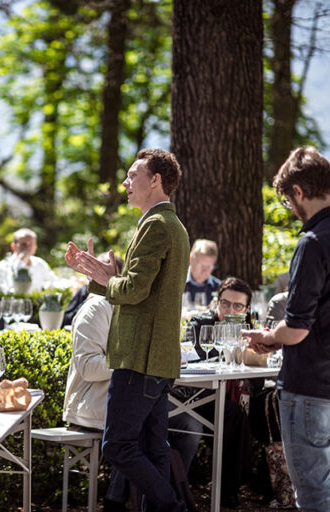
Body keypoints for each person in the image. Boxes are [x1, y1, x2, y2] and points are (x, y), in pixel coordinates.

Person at [65, 148, 189, 512]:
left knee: (117, 446)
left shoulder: (155, 224)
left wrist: (107, 277)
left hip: (139, 358)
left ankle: (174, 508)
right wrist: (99, 276)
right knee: (154, 451)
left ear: (156, 181)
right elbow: (140, 292)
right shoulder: (174, 225)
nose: (125, 183)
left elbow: (133, 289)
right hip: (158, 359)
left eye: (134, 175)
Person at [244, 146, 330, 511]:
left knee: (312, 496)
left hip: (309, 387)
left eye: (287, 200)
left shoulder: (312, 242)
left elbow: (296, 328)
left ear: (298, 191)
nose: (290, 210)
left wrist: (268, 337)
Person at [181, 277, 255, 508]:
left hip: (238, 391)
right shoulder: (201, 322)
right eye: (225, 304)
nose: (229, 310)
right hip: (201, 393)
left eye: (237, 306)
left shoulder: (249, 328)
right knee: (233, 414)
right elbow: (190, 362)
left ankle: (260, 481)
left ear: (247, 309)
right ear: (216, 302)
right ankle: (229, 491)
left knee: (263, 409)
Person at [185, 239, 221, 305]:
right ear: (190, 260)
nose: (204, 271)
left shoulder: (219, 288)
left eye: (209, 267)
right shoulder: (177, 283)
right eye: (201, 266)